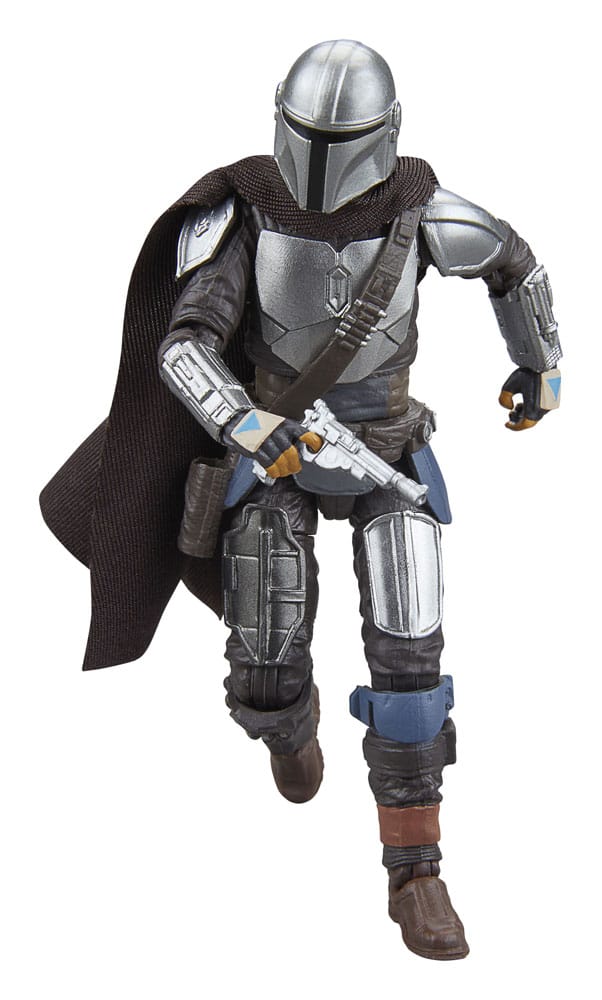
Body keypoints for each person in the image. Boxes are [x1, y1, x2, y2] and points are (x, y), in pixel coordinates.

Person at [41, 39, 561, 962]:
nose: (321, 161)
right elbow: (183, 344)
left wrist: (540, 365)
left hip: (386, 450)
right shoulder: (246, 214)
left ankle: (416, 870)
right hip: (275, 454)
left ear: (384, 134)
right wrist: (244, 421)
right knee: (264, 649)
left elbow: (512, 266)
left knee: (410, 649)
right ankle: (287, 722)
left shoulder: (421, 210)